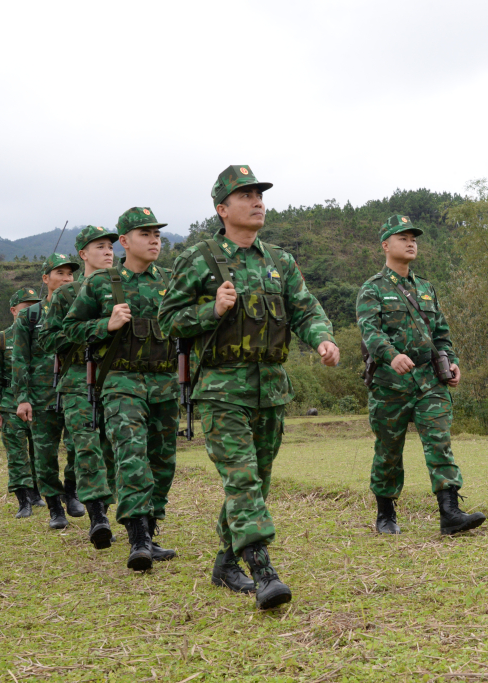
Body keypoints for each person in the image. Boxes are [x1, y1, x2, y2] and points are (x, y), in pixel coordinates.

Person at [159, 165, 339, 610]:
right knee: (241, 479)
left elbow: (305, 307)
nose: (257, 201)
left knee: (255, 480)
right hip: (221, 390)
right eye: (245, 195)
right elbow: (167, 322)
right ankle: (262, 570)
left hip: (272, 389)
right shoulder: (198, 259)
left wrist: (322, 338)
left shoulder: (279, 260)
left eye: (259, 194)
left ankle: (225, 561)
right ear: (222, 209)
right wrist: (211, 311)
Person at [64, 208, 179, 572]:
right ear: (125, 241)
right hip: (120, 381)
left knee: (163, 461)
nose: (154, 240)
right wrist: (104, 325)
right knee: (131, 455)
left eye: (157, 234)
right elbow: (67, 332)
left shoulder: (172, 283)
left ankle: (152, 526)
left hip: (164, 380)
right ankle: (138, 536)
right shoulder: (101, 285)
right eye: (145, 234)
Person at [356, 215, 485, 536]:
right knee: (388, 450)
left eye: (413, 237)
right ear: (386, 245)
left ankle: (450, 513)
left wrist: (452, 362)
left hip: (430, 381)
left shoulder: (427, 288)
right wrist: (391, 355)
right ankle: (385, 514)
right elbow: (369, 332)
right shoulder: (372, 290)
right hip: (390, 384)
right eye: (402, 237)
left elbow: (441, 332)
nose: (411, 242)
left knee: (439, 442)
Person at [38, 225, 118, 549]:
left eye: (111, 246)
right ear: (83, 254)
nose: (108, 251)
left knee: (112, 448)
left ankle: (106, 508)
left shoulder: (121, 287)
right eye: (99, 247)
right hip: (76, 379)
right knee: (86, 446)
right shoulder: (66, 295)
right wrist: (91, 332)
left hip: (115, 379)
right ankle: (97, 514)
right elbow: (47, 338)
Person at [12, 254, 83, 529]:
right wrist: (23, 398)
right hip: (41, 396)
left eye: (70, 274)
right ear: (46, 278)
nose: (66, 279)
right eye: (60, 273)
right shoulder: (29, 316)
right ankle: (55, 507)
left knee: (79, 446)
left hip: (76, 390)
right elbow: (20, 359)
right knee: (44, 454)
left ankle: (73, 491)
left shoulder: (81, 310)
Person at [0, 287, 45, 517]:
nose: (31, 311)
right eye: (25, 308)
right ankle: (23, 501)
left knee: (39, 453)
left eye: (34, 307)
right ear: (13, 310)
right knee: (17, 454)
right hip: (10, 406)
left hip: (39, 403)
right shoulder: (0, 340)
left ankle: (37, 494)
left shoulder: (43, 334)